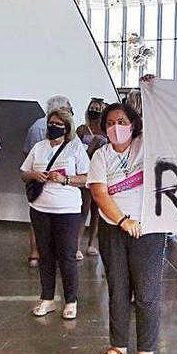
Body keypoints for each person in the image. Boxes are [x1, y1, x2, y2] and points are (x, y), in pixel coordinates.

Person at [89, 102, 163, 354]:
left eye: (122, 122)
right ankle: (118, 344)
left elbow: (162, 120)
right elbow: (99, 193)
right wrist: (123, 220)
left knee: (146, 292)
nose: (115, 128)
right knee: (118, 290)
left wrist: (152, 91)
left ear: (133, 124)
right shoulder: (101, 155)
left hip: (149, 229)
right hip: (114, 229)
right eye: (109, 123)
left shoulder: (147, 146)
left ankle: (146, 350)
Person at [21, 107, 90, 319]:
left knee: (67, 256)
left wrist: (65, 180)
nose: (54, 127)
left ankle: (71, 300)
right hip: (40, 209)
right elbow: (24, 174)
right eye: (51, 123)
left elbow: (87, 178)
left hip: (67, 210)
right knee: (46, 255)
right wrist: (34, 174)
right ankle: (47, 298)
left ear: (67, 128)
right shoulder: (38, 147)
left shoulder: (75, 149)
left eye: (59, 125)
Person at [24, 95, 74, 268]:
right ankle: (39, 252)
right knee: (40, 219)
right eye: (68, 109)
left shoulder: (36, 126)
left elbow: (26, 154)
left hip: (47, 183)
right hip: (42, 182)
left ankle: (35, 253)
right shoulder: (41, 131)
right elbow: (29, 157)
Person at [77, 98, 109, 256]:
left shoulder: (106, 131)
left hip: (101, 174)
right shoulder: (82, 130)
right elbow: (77, 154)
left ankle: (91, 244)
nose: (94, 111)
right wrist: (91, 147)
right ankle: (76, 246)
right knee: (84, 209)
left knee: (97, 211)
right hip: (86, 174)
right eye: (92, 108)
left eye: (98, 108)